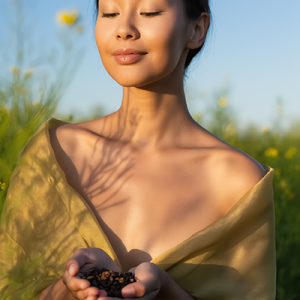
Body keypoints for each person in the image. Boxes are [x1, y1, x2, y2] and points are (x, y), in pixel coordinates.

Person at [0, 0, 276, 299]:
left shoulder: (238, 180)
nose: (124, 29)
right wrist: (69, 288)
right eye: (109, 13)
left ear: (197, 29)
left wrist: (165, 290)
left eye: (150, 12)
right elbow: (10, 288)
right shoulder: (54, 153)